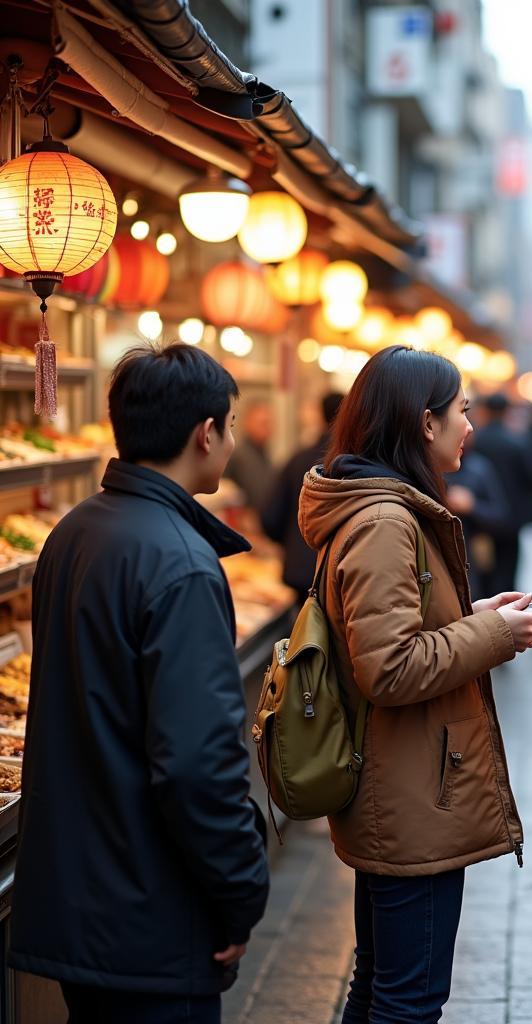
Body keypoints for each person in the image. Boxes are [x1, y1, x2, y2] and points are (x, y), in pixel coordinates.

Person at [297, 345, 532, 1024]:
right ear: (424, 422)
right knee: (409, 999)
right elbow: (389, 668)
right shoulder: (386, 522)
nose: (470, 427)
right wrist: (494, 637)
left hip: (404, 782)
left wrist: (473, 619)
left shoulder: (384, 512)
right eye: (462, 412)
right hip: (410, 790)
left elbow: (394, 638)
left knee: (381, 983)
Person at [10, 344, 270, 1023]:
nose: (233, 438)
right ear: (205, 433)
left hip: (80, 894)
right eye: (232, 423)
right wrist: (241, 895)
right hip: (151, 909)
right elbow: (197, 764)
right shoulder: (182, 561)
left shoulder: (74, 530)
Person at [261, 391, 344, 599]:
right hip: (341, 578)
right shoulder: (356, 464)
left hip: (299, 573)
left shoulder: (299, 459)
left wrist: (292, 544)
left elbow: (270, 517)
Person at [471, 393, 532, 593]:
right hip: (511, 517)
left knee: (482, 572)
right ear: (507, 412)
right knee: (507, 571)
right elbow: (531, 479)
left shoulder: (477, 440)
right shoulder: (516, 442)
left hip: (481, 517)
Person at [446, 434, 516, 596]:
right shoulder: (431, 467)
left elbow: (501, 514)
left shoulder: (479, 468)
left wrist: (472, 505)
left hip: (474, 554)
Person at [225, 399, 275, 508]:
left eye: (269, 423)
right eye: (263, 423)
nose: (267, 428)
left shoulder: (269, 460)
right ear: (247, 423)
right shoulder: (236, 457)